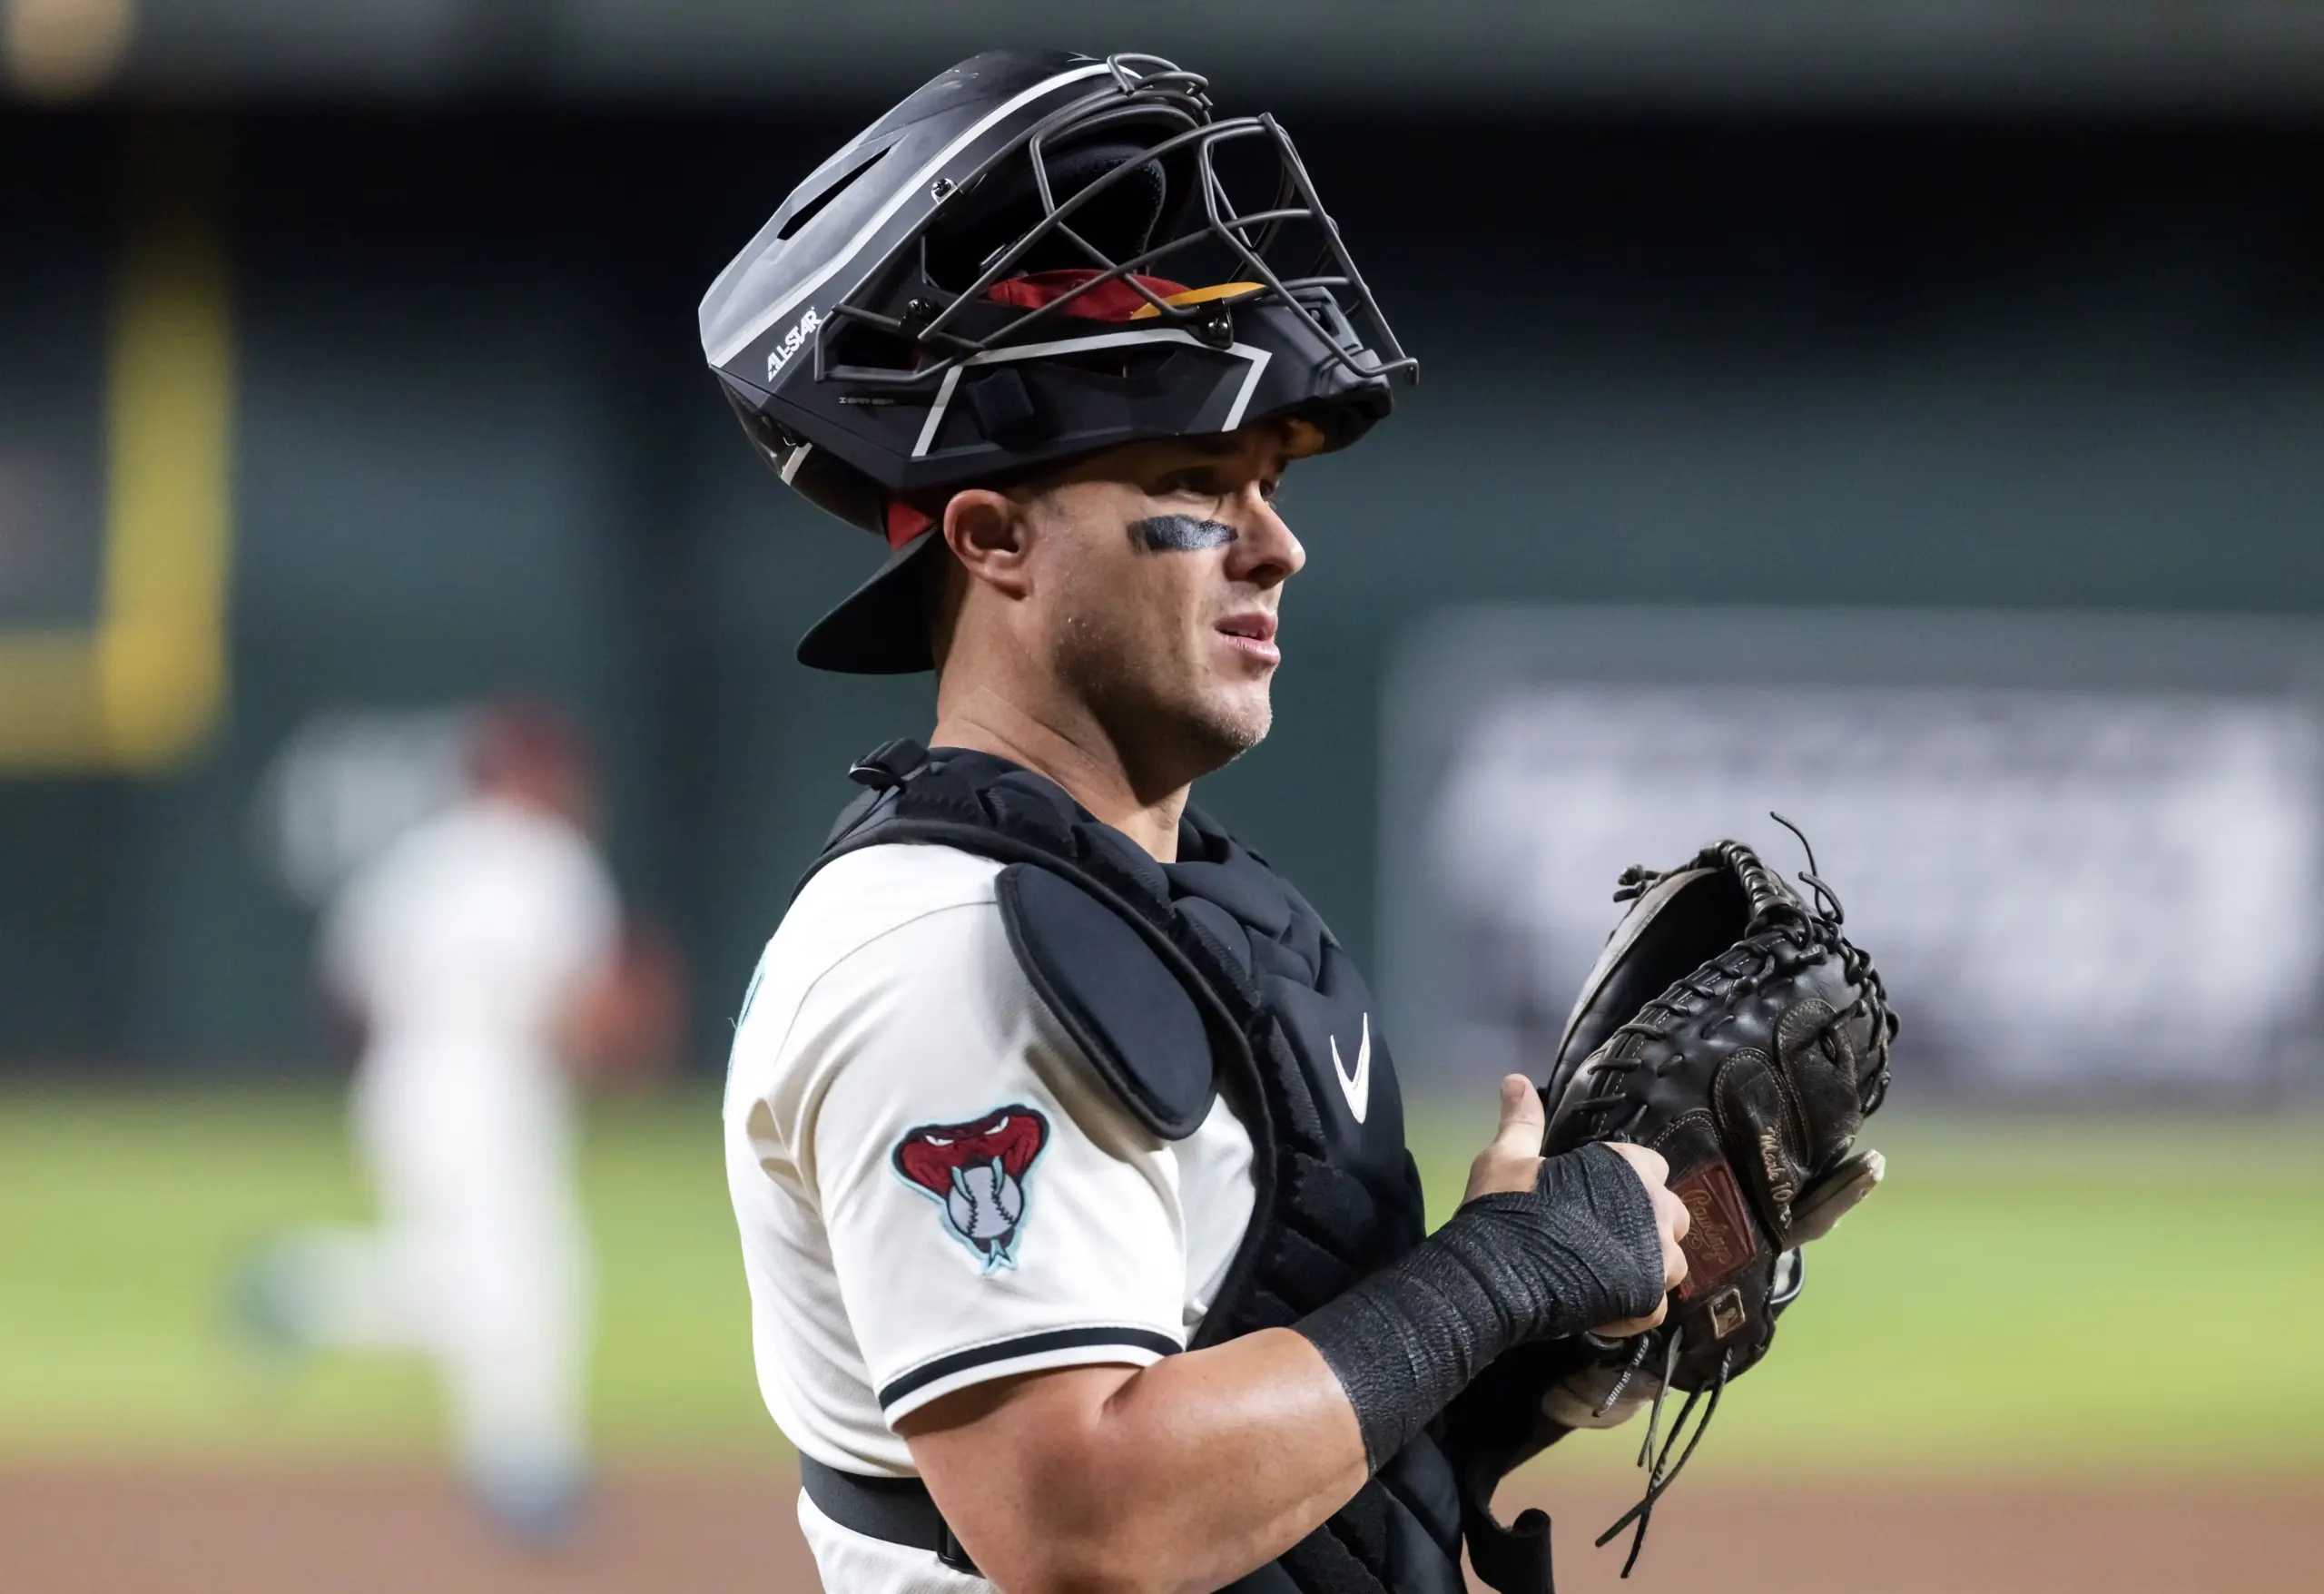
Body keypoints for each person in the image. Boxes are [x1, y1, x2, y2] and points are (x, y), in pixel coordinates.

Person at [707, 52, 1691, 1594]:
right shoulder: (950, 954)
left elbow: (1264, 1458)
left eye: (1271, 483)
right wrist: (1497, 1274)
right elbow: (1086, 1520)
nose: (1278, 546)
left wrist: (1519, 1363)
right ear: (994, 536)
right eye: (1193, 479)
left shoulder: (1181, 913)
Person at [236, 703, 676, 1541]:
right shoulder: (550, 861)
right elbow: (575, 1012)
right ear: (527, 775)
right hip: (492, 1088)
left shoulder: (420, 857)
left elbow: (348, 986)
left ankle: (306, 1288)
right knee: (527, 1281)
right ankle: (525, 1469)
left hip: (404, 1080)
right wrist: (624, 1051)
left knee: (475, 1279)